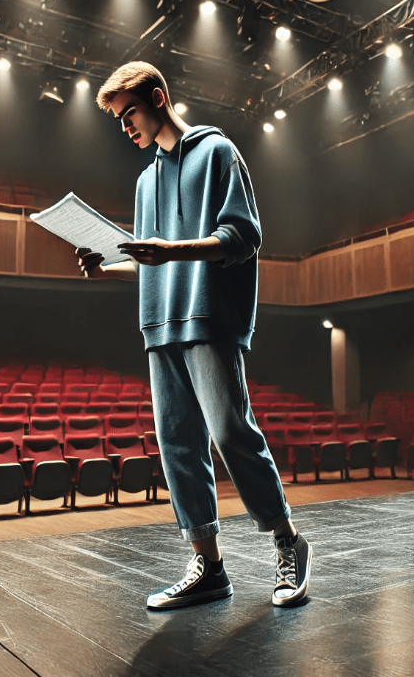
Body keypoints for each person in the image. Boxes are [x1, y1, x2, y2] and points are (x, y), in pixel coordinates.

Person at [75, 61, 311, 610]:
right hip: (159, 324)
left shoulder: (218, 153)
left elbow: (242, 236)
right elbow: (151, 260)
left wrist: (171, 250)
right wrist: (107, 267)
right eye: (118, 120)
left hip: (209, 316)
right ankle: (208, 566)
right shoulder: (143, 179)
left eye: (128, 113)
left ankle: (288, 541)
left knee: (229, 432)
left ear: (158, 98)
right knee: (178, 443)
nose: (125, 127)